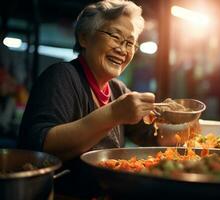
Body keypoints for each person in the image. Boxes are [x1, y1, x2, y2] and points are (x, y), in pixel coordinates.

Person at [17, 0, 156, 197]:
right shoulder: (61, 76)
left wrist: (181, 119)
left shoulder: (118, 89)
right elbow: (41, 145)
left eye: (130, 43)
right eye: (115, 36)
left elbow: (152, 135)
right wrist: (114, 114)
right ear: (84, 37)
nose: (123, 50)